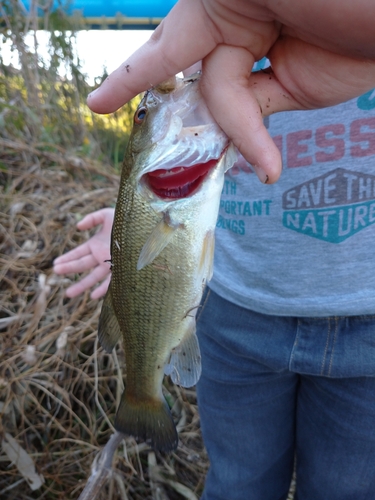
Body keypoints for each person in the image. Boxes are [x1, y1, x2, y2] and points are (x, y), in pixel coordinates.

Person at [54, 1, 375, 498]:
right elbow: (174, 170)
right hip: (235, 313)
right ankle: (144, 393)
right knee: (238, 483)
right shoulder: (223, 34)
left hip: (366, 321)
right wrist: (130, 222)